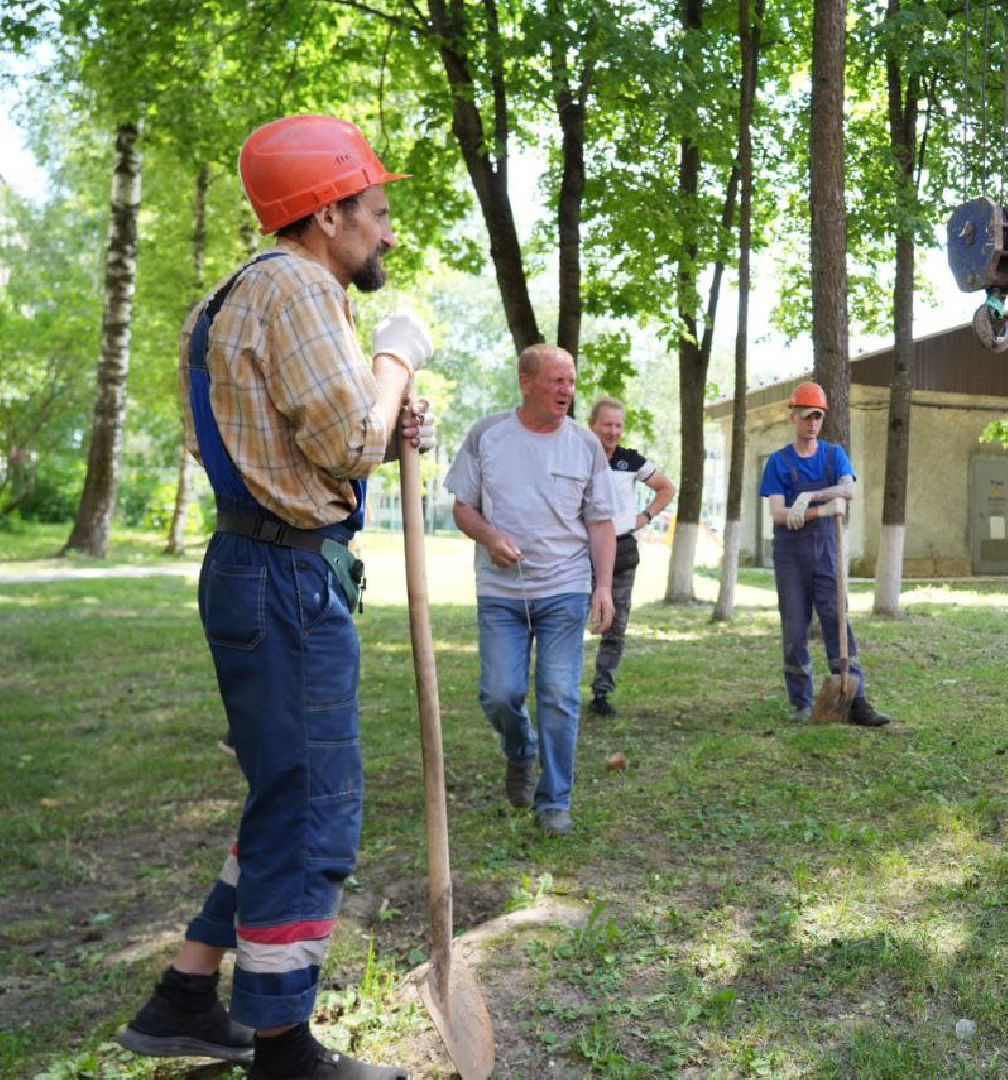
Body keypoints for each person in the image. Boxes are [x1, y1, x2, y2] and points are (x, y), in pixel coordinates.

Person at [116, 115, 434, 1080]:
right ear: (326, 211)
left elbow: (295, 434)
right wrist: (395, 363)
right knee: (312, 809)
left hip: (259, 567)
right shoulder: (297, 286)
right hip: (287, 576)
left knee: (281, 797)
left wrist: (385, 407)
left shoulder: (232, 294)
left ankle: (182, 996)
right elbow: (346, 445)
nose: (386, 232)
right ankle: (282, 1046)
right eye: (375, 212)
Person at [446, 345, 616, 837]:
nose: (567, 390)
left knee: (560, 694)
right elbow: (463, 506)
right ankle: (521, 751)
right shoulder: (488, 435)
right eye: (557, 381)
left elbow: (601, 522)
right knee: (500, 694)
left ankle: (555, 801)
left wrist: (603, 587)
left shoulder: (584, 445)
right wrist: (490, 537)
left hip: (564, 587)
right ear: (526, 382)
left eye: (571, 381)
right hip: (501, 592)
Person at [759, 382, 891, 727]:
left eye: (818, 416)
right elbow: (777, 513)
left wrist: (810, 497)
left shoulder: (833, 456)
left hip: (826, 552)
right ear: (793, 417)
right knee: (795, 626)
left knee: (837, 621)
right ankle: (801, 702)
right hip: (790, 555)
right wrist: (818, 511)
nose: (812, 423)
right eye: (806, 416)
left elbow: (848, 490)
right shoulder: (778, 462)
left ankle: (855, 698)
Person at [585, 396, 675, 717]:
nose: (612, 431)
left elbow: (666, 487)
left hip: (622, 551)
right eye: (606, 424)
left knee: (615, 627)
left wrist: (645, 516)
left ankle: (601, 693)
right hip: (580, 554)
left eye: (618, 426)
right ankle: (562, 691)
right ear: (591, 425)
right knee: (567, 622)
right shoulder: (578, 457)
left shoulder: (630, 460)